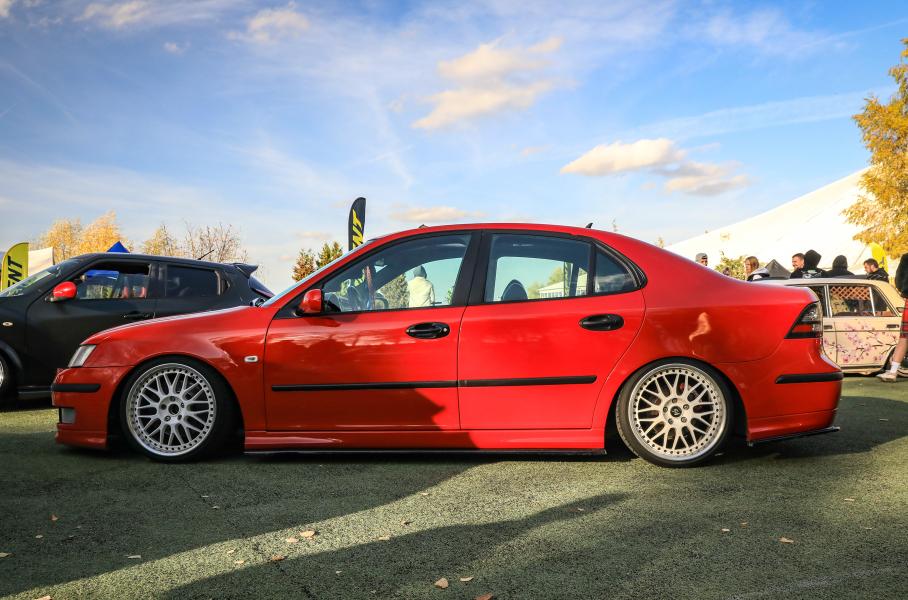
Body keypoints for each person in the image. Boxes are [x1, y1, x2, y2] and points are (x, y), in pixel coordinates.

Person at [877, 253, 908, 382]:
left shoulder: (906, 257)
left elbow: (899, 281)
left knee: (904, 337)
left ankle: (893, 372)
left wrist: (903, 290)